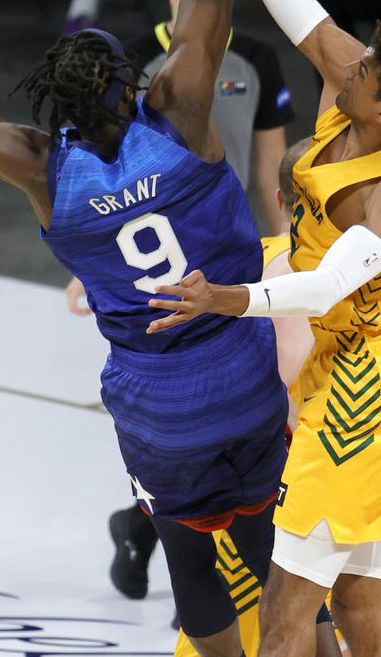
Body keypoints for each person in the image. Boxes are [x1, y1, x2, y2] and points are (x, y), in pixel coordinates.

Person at [78, 0, 381, 657]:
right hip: (333, 360)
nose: (346, 56)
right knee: (363, 610)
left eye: (363, 65)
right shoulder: (364, 93)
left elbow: (328, 284)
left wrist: (229, 299)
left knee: (290, 610)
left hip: (370, 386)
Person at [0, 0, 289, 657]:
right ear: (133, 81)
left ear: (56, 100)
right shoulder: (179, 113)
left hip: (154, 403)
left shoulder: (41, 167)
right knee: (270, 552)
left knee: (188, 554)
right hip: (244, 373)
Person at [109, 139, 344, 657]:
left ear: (281, 202)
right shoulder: (327, 270)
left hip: (171, 415)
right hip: (272, 442)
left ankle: (136, 527)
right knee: (277, 564)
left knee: (190, 559)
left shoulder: (240, 250)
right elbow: (283, 374)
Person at [66, 0, 293, 311]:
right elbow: (111, 163)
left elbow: (271, 163)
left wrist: (286, 236)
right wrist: (92, 263)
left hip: (228, 229)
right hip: (155, 236)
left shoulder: (257, 58)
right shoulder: (131, 60)